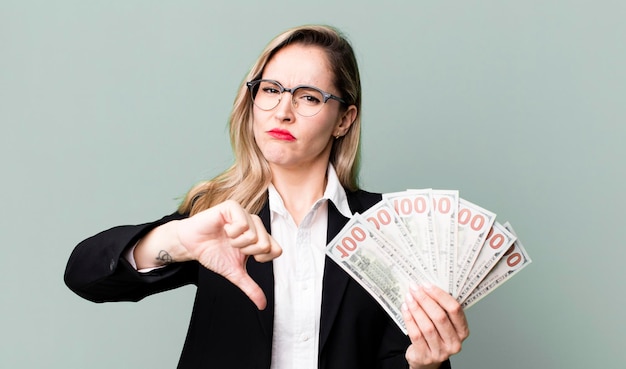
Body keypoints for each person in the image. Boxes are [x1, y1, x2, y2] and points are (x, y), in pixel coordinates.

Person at [64, 25, 469, 369]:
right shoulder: (218, 215)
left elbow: (402, 357)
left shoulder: (388, 227)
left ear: (344, 119)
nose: (282, 111)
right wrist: (176, 240)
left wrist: (425, 365)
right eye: (271, 90)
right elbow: (84, 276)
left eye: (309, 97)